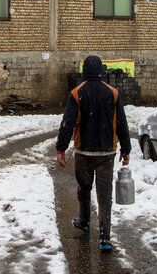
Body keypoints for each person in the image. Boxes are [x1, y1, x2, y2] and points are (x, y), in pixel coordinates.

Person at [56, 55, 131, 250]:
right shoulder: (113, 93)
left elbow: (68, 124)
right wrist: (126, 149)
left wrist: (61, 148)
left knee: (84, 188)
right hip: (107, 153)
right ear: (102, 72)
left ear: (84, 73)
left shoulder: (76, 93)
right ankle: (105, 236)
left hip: (84, 152)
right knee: (105, 194)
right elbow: (122, 123)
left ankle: (84, 222)